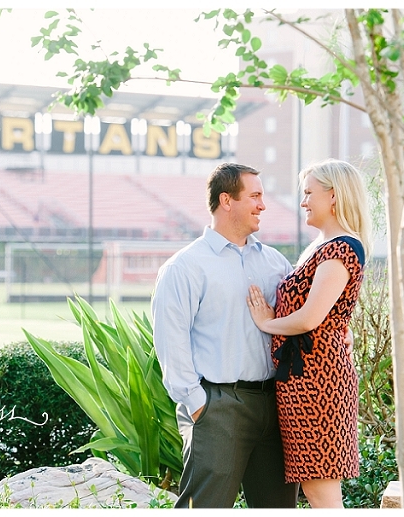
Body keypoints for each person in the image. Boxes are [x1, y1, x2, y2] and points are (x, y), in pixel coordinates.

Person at [151, 163, 299, 508]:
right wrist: (198, 403)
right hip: (219, 407)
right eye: (255, 196)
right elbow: (171, 343)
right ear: (226, 200)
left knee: (279, 509)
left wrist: (341, 334)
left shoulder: (275, 263)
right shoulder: (184, 267)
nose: (263, 205)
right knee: (205, 509)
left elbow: (301, 318)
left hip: (274, 404)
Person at [246, 159, 372, 508]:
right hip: (304, 380)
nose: (303, 201)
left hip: (319, 383)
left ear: (333, 196)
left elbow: (309, 319)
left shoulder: (340, 248)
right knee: (315, 488)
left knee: (320, 490)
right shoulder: (322, 247)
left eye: (309, 193)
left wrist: (266, 323)